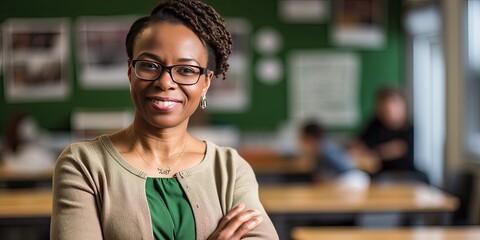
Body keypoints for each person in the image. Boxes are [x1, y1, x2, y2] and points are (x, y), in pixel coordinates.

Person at [50, 1, 278, 239]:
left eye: (186, 70)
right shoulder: (83, 164)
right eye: (149, 66)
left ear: (206, 82)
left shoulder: (230, 169)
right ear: (130, 71)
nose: (165, 82)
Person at [350, 87, 428, 183]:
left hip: (404, 174)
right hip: (378, 173)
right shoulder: (375, 125)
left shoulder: (408, 127)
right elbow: (359, 145)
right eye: (385, 105)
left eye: (393, 104)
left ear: (402, 106)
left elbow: (398, 148)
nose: (389, 109)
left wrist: (373, 154)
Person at [299, 121, 369, 188]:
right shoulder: (324, 145)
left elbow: (344, 167)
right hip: (353, 178)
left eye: (304, 139)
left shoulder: (324, 148)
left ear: (310, 138)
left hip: (351, 180)